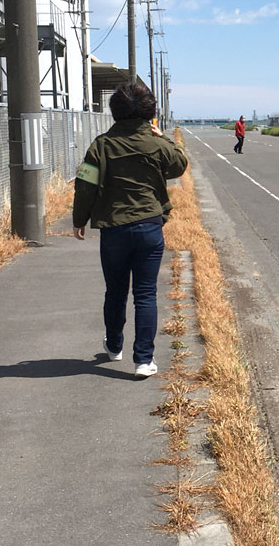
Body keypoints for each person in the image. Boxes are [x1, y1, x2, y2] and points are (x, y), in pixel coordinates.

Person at [72, 83, 188, 378]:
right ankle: (144, 360)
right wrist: (167, 140)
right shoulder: (157, 144)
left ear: (116, 111)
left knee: (115, 291)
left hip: (114, 229)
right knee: (146, 294)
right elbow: (179, 166)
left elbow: (85, 185)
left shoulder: (101, 146)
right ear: (149, 112)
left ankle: (114, 346)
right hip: (150, 225)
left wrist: (79, 219)